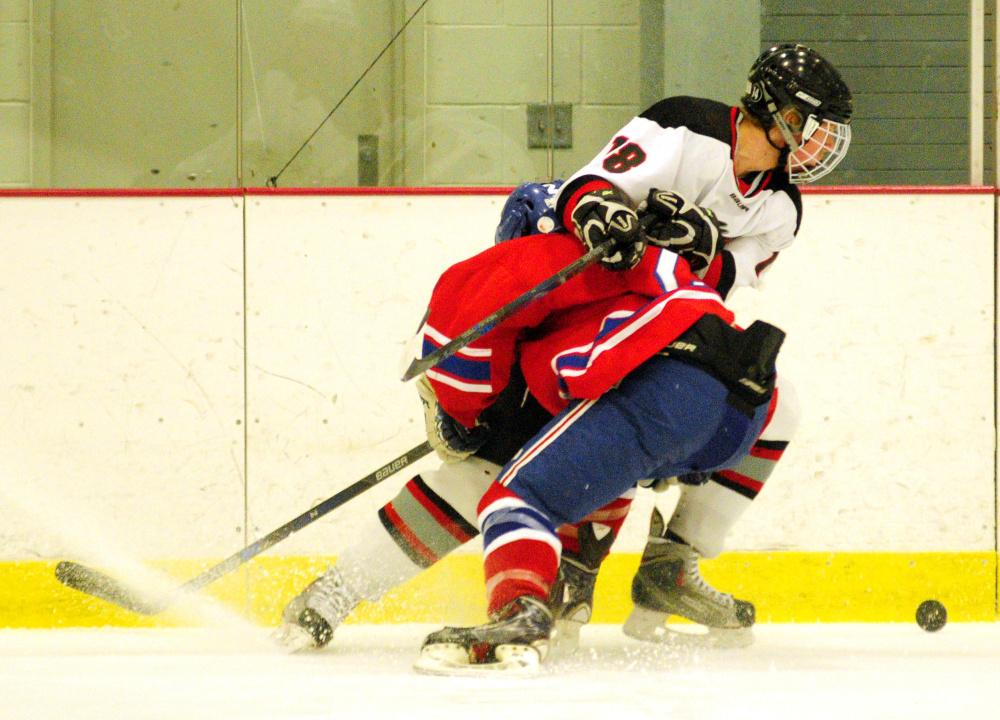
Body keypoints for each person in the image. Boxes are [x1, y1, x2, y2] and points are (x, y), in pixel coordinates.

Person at [272, 41, 849, 652]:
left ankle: (669, 566)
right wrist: (608, 215)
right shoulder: (685, 125)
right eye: (816, 126)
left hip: (636, 325)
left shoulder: (781, 208)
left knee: (770, 408)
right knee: (488, 473)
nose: (823, 146)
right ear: (776, 109)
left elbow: (713, 288)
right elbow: (583, 191)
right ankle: (338, 590)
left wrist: (688, 252)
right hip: (567, 301)